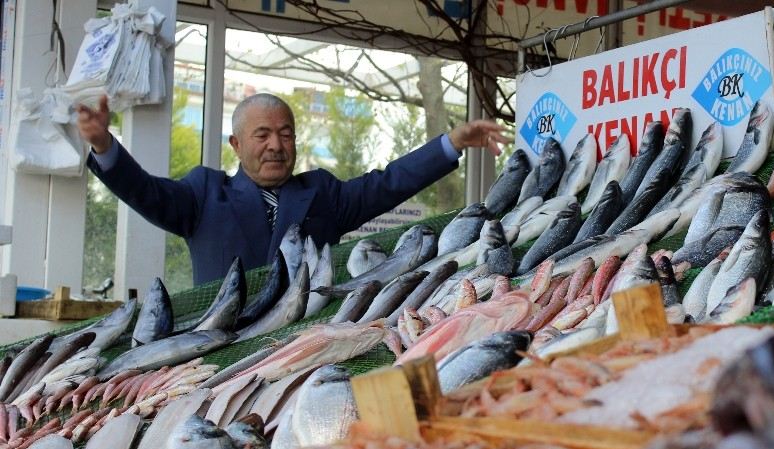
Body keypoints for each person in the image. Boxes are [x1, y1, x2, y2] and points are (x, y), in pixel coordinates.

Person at [77, 93, 510, 285]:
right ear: (236, 144)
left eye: (286, 134)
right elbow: (145, 192)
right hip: (219, 356)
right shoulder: (203, 193)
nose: (276, 145)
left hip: (305, 351)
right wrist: (103, 144)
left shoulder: (321, 192)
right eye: (262, 134)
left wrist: (450, 143)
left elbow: (387, 184)